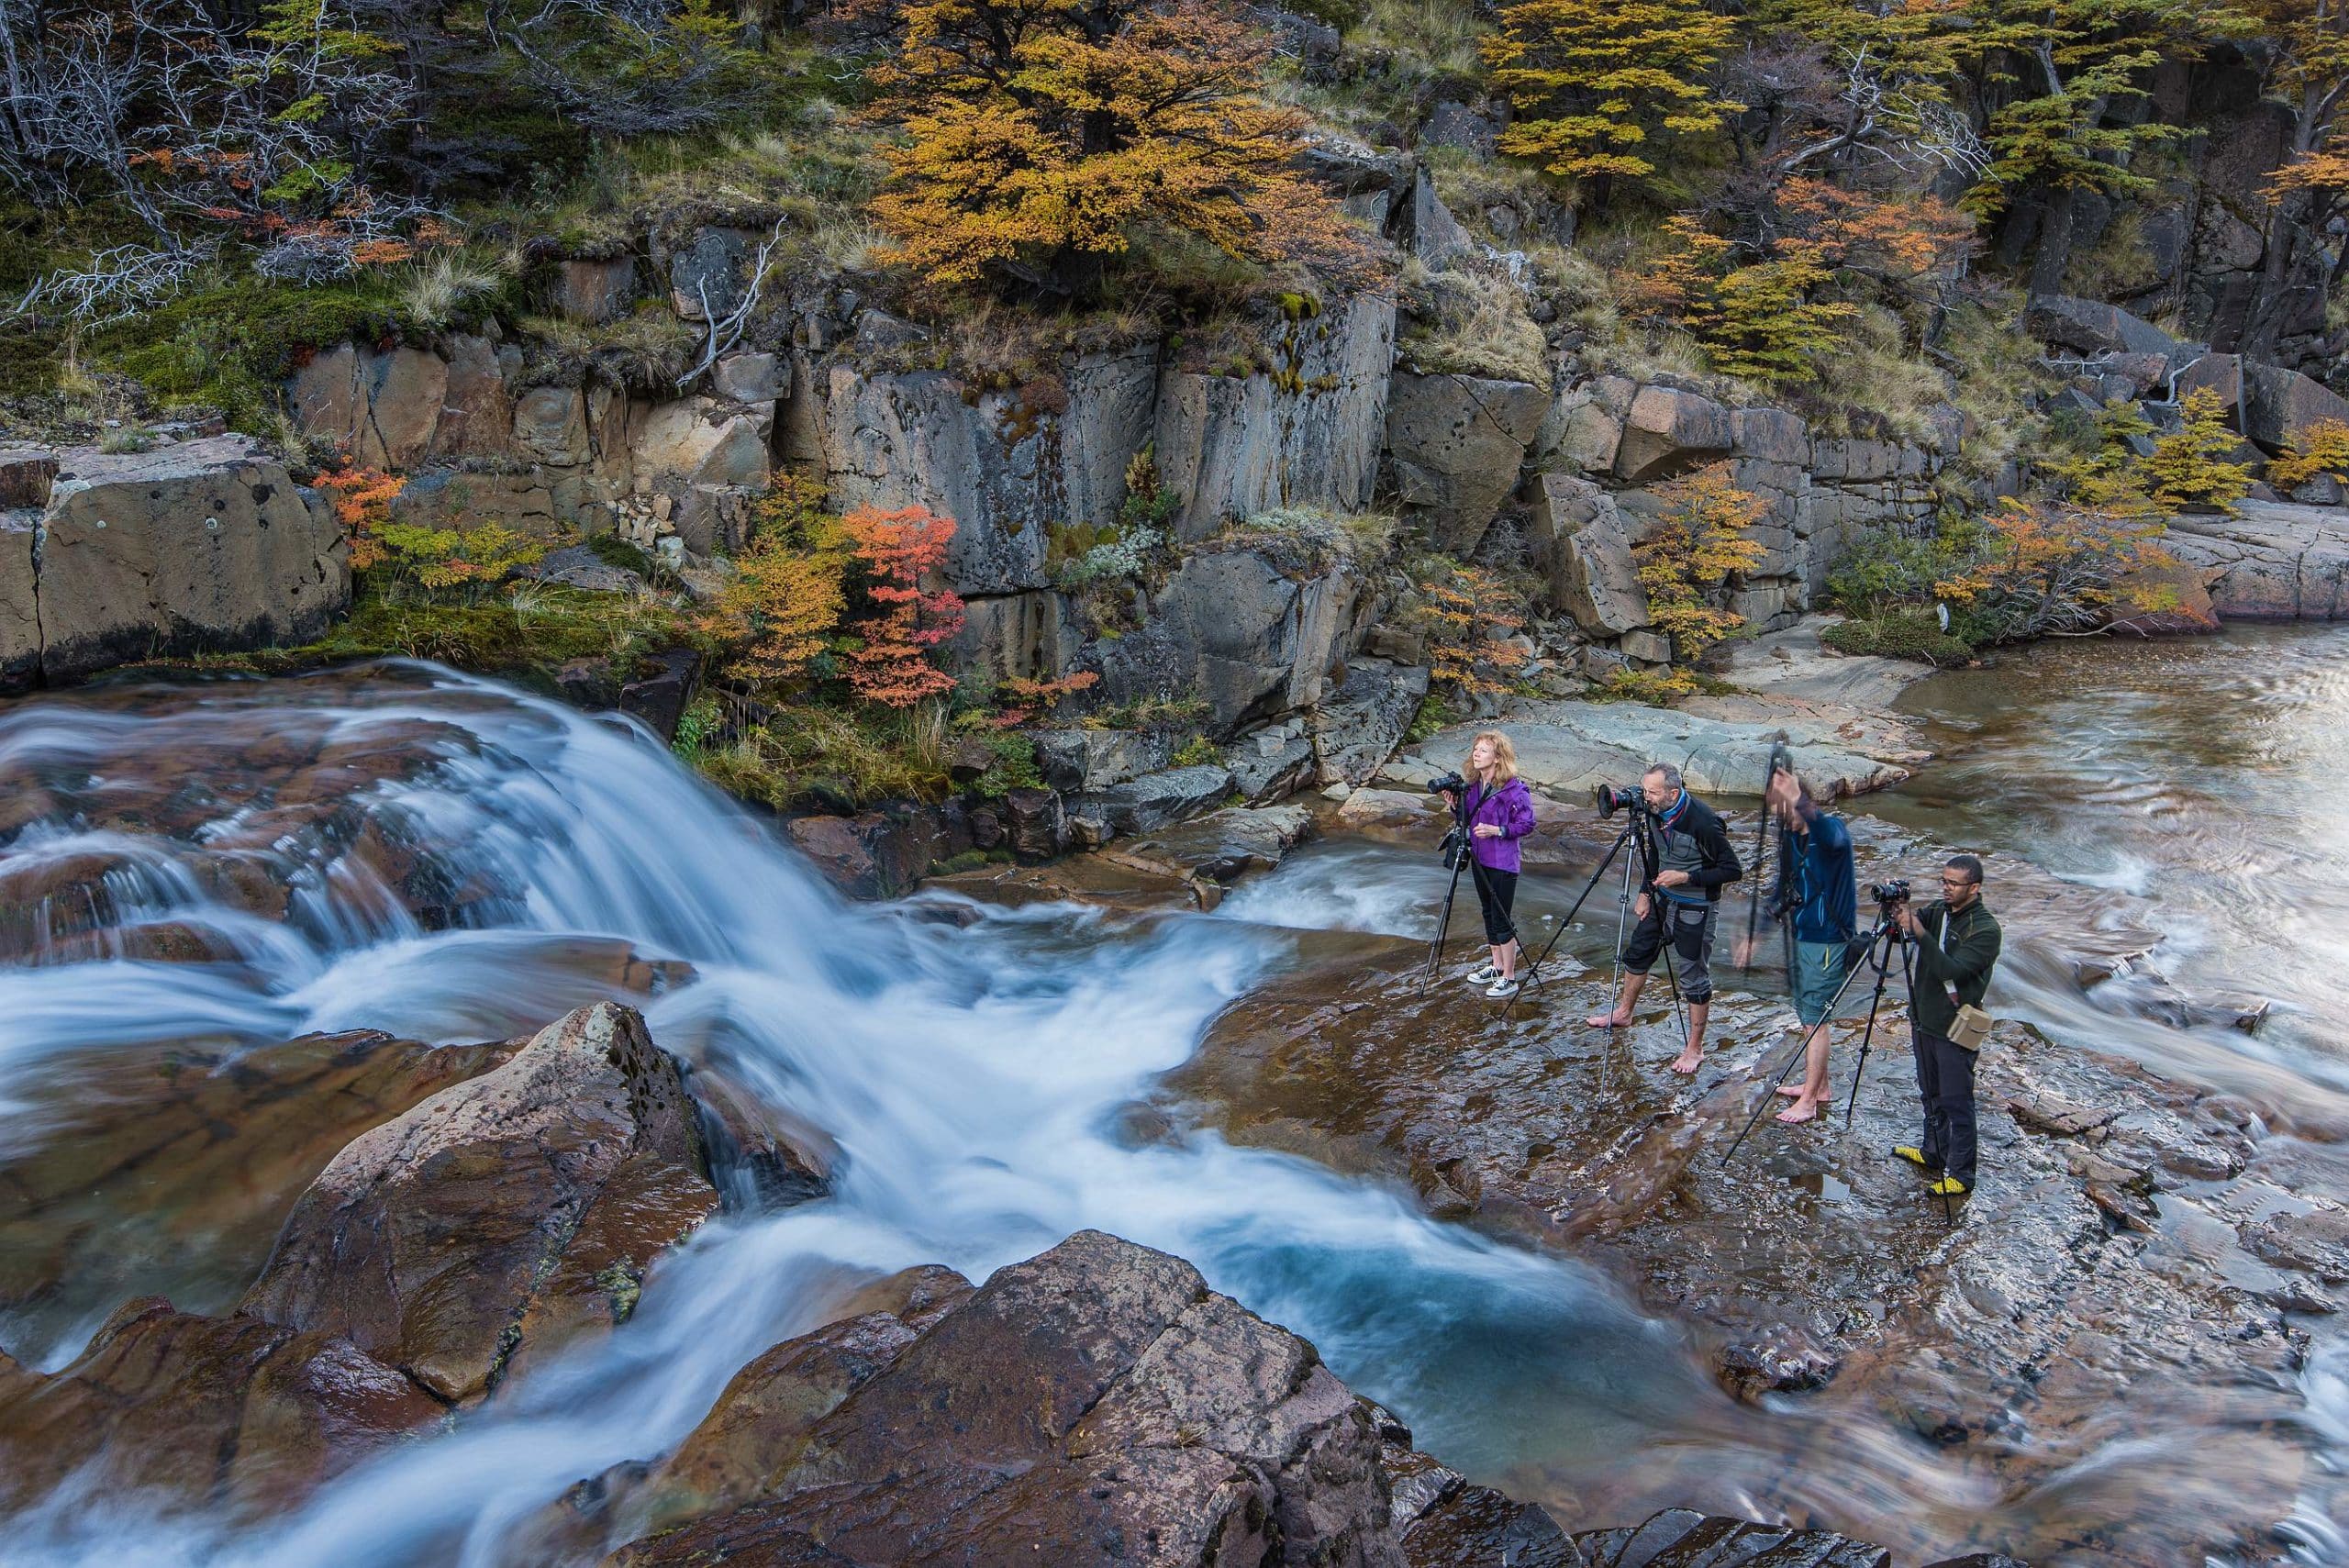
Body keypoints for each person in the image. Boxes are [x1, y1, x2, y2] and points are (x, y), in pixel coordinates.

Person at [1586, 762, 1742, 1073]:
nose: (1646, 798)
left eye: (1652, 793)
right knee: (1637, 953)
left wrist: (1684, 876)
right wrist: (1645, 892)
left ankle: (1694, 1049)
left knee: (1693, 977)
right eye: (1644, 791)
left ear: (1673, 793)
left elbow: (1732, 870)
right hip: (1661, 898)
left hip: (1696, 906)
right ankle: (1624, 1013)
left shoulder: (1704, 822)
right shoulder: (1654, 812)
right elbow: (1655, 854)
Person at [1741, 768, 1856, 1124]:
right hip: (1804, 937)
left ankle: (1809, 1101)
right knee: (1810, 1013)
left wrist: (1799, 800)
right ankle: (1820, 1087)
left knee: (1814, 1018)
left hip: (1827, 940)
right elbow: (1782, 891)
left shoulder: (1831, 831)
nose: (1778, 816)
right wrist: (1756, 936)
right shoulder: (1791, 840)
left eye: (1782, 808)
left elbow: (1830, 837)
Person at [1893, 854, 2002, 1196]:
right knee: (1930, 1093)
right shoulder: (1938, 912)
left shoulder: (1985, 929)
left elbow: (1950, 970)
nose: (1946, 888)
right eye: (1943, 881)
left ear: (1975, 887)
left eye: (1953, 884)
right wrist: (1897, 914)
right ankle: (1933, 1153)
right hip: (1924, 1019)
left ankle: (1962, 1174)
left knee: (1957, 1101)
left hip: (1956, 1028)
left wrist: (1921, 932)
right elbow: (1902, 935)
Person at [1439, 731, 1537, 999]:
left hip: (1503, 863)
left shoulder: (1513, 789)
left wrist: (1498, 830)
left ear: (1498, 758)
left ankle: (1510, 977)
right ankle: (1496, 966)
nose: (1476, 753)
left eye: (1483, 750)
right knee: (1487, 913)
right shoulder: (1474, 786)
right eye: (1476, 749)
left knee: (1502, 918)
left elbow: (1527, 823)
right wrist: (1453, 806)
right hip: (1480, 859)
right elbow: (1466, 820)